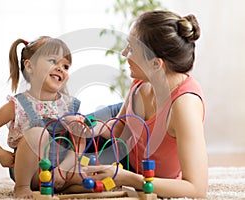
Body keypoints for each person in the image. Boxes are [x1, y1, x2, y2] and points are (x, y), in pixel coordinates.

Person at [82, 10, 208, 198]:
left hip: (137, 170)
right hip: (127, 154)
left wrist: (128, 178)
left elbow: (197, 189)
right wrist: (94, 129)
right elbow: (120, 126)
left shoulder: (184, 106)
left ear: (156, 64)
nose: (124, 54)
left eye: (131, 49)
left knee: (70, 173)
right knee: (65, 139)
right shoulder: (143, 81)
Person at [0, 36, 86, 198]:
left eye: (65, 66)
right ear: (29, 66)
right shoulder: (18, 105)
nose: (60, 68)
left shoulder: (69, 106)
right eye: (52, 61)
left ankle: (65, 186)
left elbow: (79, 142)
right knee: (37, 134)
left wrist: (63, 171)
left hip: (61, 172)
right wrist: (1, 154)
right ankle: (21, 187)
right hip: (31, 175)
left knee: (90, 169)